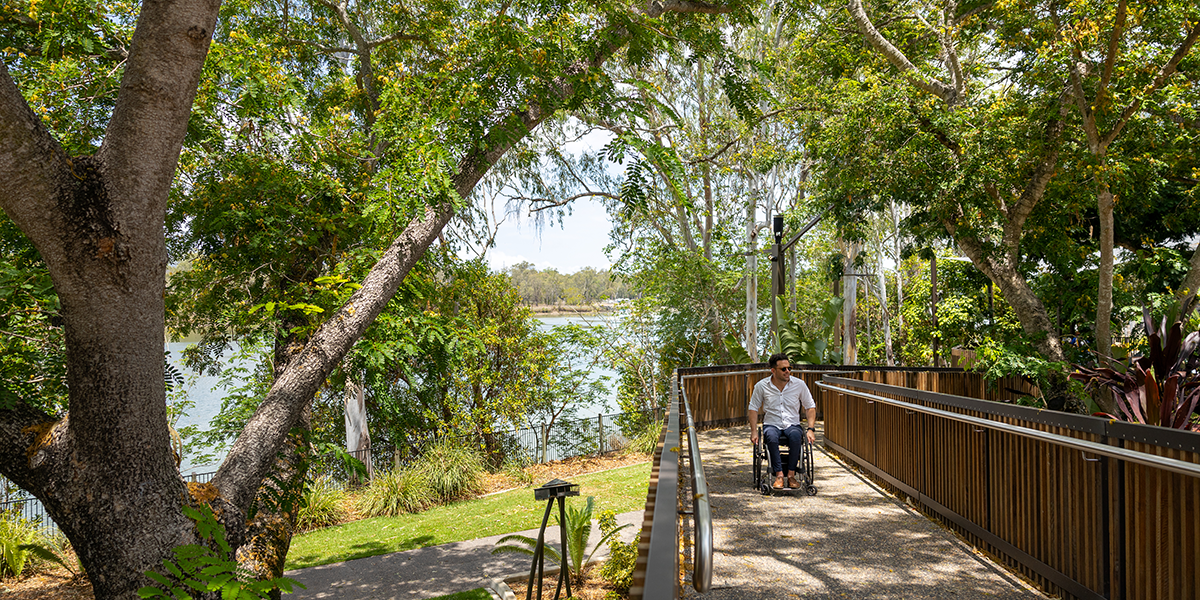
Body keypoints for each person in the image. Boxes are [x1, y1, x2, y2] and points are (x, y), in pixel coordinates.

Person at [748, 353, 816, 489]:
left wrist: (810, 429)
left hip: (792, 424)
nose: (788, 371)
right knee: (771, 438)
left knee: (796, 437)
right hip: (771, 424)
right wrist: (754, 431)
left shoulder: (799, 385)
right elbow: (753, 408)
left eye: (789, 368)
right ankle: (779, 475)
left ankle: (791, 476)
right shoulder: (761, 386)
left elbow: (810, 406)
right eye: (783, 369)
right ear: (773, 371)